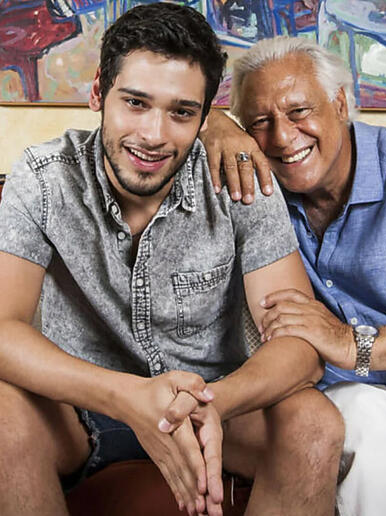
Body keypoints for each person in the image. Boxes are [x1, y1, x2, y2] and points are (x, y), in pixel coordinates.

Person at [0, 5, 344, 516]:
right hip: (81, 407)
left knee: (316, 424)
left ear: (206, 117)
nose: (154, 134)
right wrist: (126, 398)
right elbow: (3, 328)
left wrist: (215, 404)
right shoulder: (44, 178)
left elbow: (301, 347)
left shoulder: (241, 179)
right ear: (99, 92)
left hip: (213, 406)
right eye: (135, 103)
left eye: (181, 112)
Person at [198, 36, 386, 515]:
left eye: (299, 111)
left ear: (340, 104)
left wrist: (353, 343)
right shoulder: (254, 187)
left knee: (373, 415)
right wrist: (211, 122)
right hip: (304, 406)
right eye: (260, 122)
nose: (283, 138)